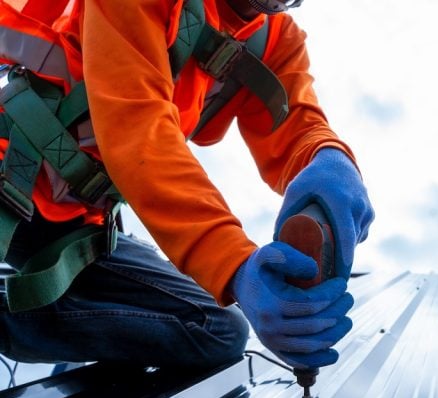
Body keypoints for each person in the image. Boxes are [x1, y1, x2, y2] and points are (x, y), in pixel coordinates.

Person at [0, 0, 374, 371]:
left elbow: (299, 126)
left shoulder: (276, 39)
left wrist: (329, 160)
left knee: (216, 331)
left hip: (76, 221)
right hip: (9, 178)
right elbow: (139, 131)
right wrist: (234, 261)